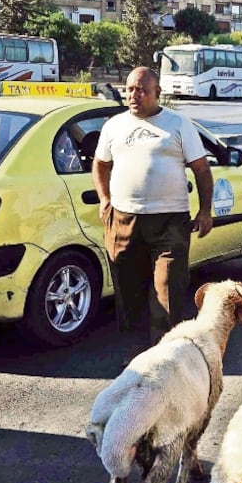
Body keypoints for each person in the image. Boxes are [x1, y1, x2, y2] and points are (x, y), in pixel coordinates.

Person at [92, 66, 214, 346]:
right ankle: (135, 354)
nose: (135, 95)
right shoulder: (114, 125)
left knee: (167, 289)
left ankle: (165, 356)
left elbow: (202, 170)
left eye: (142, 90)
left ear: (157, 93)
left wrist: (205, 211)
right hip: (123, 219)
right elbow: (101, 164)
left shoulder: (179, 125)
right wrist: (105, 199)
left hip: (169, 221)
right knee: (128, 290)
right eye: (130, 89)